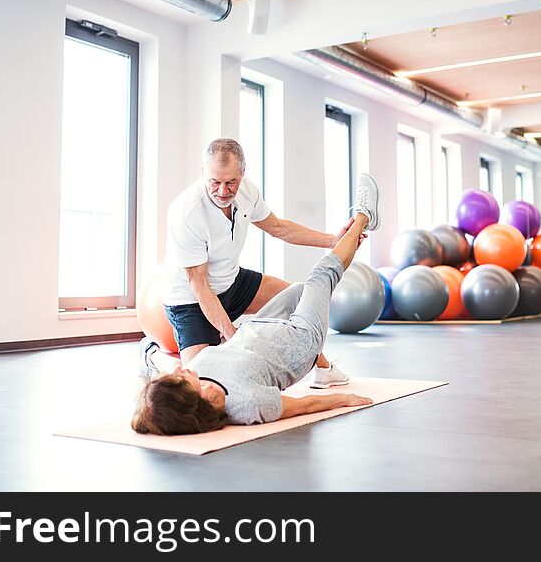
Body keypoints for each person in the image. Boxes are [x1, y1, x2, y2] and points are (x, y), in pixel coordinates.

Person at [132, 174, 380, 435]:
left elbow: (279, 227)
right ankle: (364, 216)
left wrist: (152, 356)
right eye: (181, 379)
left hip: (257, 328)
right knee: (321, 274)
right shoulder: (249, 404)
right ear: (193, 398)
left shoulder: (194, 372)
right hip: (301, 341)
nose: (182, 370)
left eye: (230, 181)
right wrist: (343, 400)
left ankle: (148, 354)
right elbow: (304, 406)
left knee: (297, 290)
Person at [153, 138, 363, 388]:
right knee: (204, 383)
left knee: (301, 300)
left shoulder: (247, 192)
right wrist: (233, 338)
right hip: (190, 300)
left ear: (243, 172)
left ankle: (323, 368)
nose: (222, 191)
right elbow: (199, 285)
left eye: (230, 182)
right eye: (215, 182)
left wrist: (332, 240)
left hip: (231, 281)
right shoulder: (186, 213)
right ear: (203, 172)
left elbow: (279, 228)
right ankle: (153, 355)